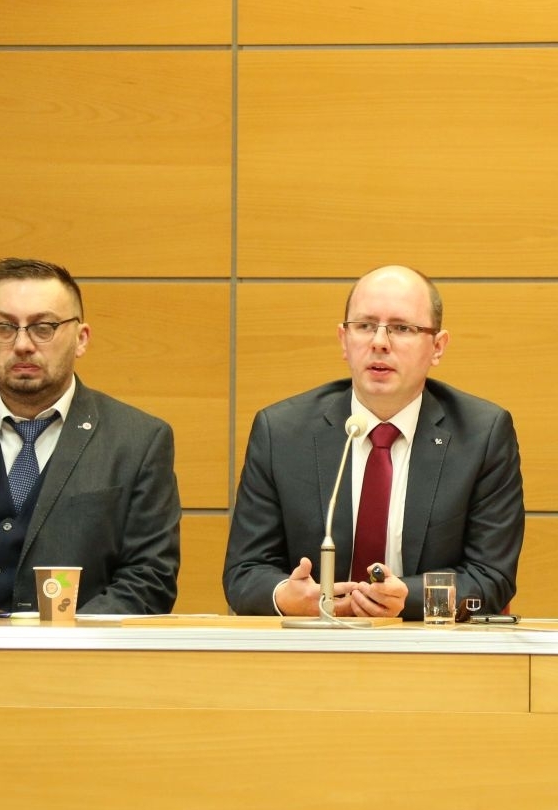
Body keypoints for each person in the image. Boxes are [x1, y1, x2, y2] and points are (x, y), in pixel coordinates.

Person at [224, 264, 524, 621]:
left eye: (402, 328)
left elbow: (491, 577)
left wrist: (406, 599)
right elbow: (244, 572)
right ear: (344, 340)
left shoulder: (481, 435)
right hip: (311, 645)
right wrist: (287, 598)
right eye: (365, 326)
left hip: (430, 647)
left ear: (437, 347)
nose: (379, 342)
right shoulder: (282, 433)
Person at [0, 258, 180, 614]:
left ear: (81, 339)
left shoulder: (138, 441)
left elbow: (149, 579)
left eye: (43, 327)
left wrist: (66, 638)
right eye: (5, 327)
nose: (22, 344)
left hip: (75, 644)